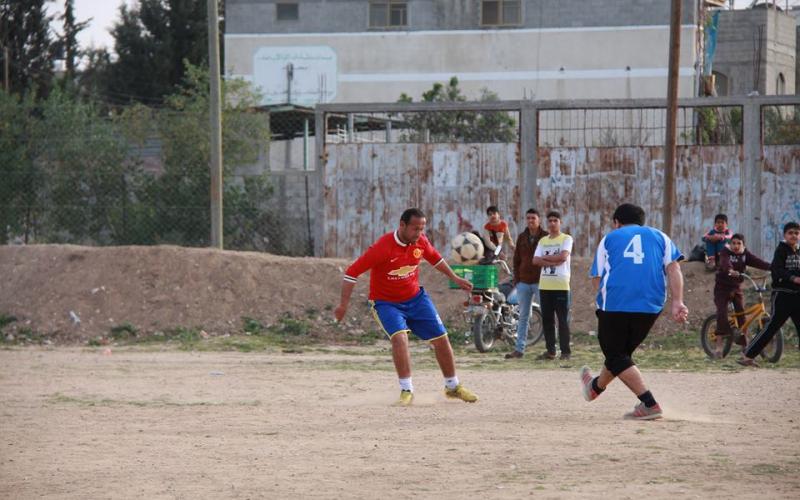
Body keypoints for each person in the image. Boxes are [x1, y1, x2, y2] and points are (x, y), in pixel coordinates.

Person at [334, 208, 479, 405]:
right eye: (415, 228)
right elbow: (351, 273)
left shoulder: (420, 241)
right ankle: (406, 390)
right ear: (402, 225)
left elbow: (435, 258)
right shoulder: (383, 247)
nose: (419, 233)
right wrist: (343, 305)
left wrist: (454, 277)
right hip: (386, 303)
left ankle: (453, 387)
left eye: (422, 228)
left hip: (416, 299)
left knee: (441, 338)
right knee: (400, 338)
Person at [581, 203, 688, 420]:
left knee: (615, 354)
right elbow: (674, 268)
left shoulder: (610, 238)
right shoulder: (661, 237)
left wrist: (603, 303)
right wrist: (678, 302)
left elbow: (596, 277)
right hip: (651, 304)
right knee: (620, 355)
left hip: (617, 302)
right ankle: (594, 388)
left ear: (617, 222)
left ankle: (649, 403)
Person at [738, 222, 800, 367]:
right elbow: (776, 270)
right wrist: (793, 278)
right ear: (785, 235)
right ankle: (748, 355)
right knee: (772, 327)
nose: (794, 235)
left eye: (797, 233)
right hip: (783, 295)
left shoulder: (798, 252)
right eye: (790, 233)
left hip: (797, 295)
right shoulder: (781, 250)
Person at [711, 233, 771, 357]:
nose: (736, 246)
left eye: (739, 243)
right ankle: (719, 347)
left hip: (736, 288)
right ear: (730, 243)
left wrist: (772, 267)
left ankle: (745, 346)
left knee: (742, 316)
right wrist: (730, 270)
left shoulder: (745, 254)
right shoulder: (725, 251)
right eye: (734, 243)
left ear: (743, 245)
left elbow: (756, 261)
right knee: (721, 313)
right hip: (722, 288)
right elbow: (724, 262)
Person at [505, 208, 548, 359]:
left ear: (539, 220)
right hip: (523, 283)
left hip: (541, 282)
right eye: (528, 218)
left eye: (533, 218)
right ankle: (519, 350)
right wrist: (517, 279)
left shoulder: (545, 237)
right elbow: (516, 260)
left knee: (547, 315)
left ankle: (552, 348)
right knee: (523, 316)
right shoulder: (522, 237)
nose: (530, 221)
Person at [531, 211, 572, 360]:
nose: (553, 223)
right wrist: (553, 261)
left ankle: (566, 352)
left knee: (562, 320)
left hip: (561, 285)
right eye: (550, 221)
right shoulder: (543, 241)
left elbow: (563, 256)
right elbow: (535, 261)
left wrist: (545, 258)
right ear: (546, 223)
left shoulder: (566, 239)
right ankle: (550, 351)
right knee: (547, 320)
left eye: (555, 220)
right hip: (545, 286)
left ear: (560, 222)